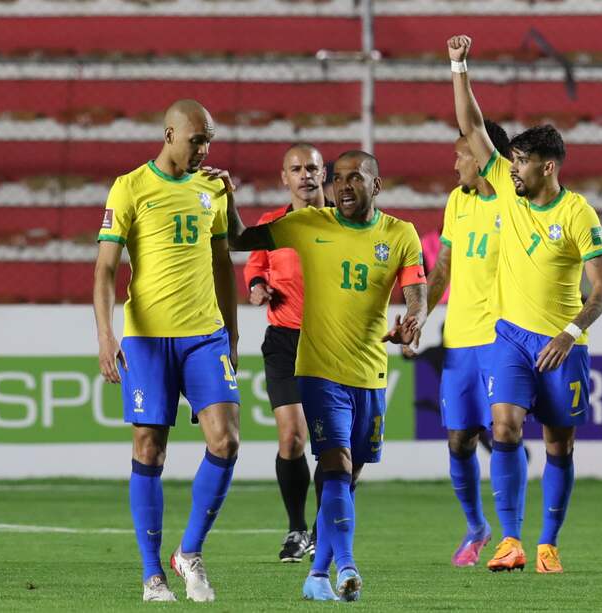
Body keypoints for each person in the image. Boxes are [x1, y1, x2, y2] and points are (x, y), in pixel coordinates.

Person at [219, 150, 427, 601]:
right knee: (334, 465)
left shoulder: (400, 234)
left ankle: (316, 575)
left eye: (356, 178)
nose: (344, 185)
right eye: (338, 179)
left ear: (376, 185)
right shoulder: (306, 226)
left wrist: (414, 318)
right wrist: (229, 199)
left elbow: (416, 293)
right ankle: (345, 566)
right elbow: (238, 240)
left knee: (352, 475)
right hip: (316, 369)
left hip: (370, 371)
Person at [449, 35, 602, 574]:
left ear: (547, 167)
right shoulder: (502, 185)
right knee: (503, 429)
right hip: (511, 338)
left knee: (558, 445)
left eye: (521, 162)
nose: (510, 168)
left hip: (563, 345)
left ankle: (548, 544)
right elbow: (474, 128)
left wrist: (570, 331)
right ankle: (511, 540)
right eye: (511, 161)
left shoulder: (578, 214)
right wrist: (459, 66)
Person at [93, 99, 240, 603]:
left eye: (210, 140)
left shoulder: (213, 188)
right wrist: (106, 334)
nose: (205, 148)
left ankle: (190, 553)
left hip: (205, 335)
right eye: (198, 139)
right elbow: (105, 270)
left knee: (226, 441)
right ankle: (152, 574)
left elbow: (224, 263)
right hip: (148, 338)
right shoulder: (130, 186)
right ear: (169, 134)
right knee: (149, 448)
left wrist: (234, 333)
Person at [416, 121, 511, 567]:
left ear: (483, 157)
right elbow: (444, 268)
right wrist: (420, 315)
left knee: (507, 432)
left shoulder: (515, 203)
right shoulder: (458, 201)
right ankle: (476, 527)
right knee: (459, 439)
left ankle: (513, 537)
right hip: (460, 339)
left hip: (506, 338)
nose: (456, 163)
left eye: (462, 155)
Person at [243, 143, 327, 562]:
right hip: (284, 340)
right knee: (292, 438)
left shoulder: (342, 224)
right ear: (284, 178)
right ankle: (297, 530)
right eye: (296, 169)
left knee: (332, 447)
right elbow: (254, 267)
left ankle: (322, 530)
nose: (305, 175)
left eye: (311, 167)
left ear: (324, 173)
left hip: (333, 342)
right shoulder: (271, 223)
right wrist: (257, 288)